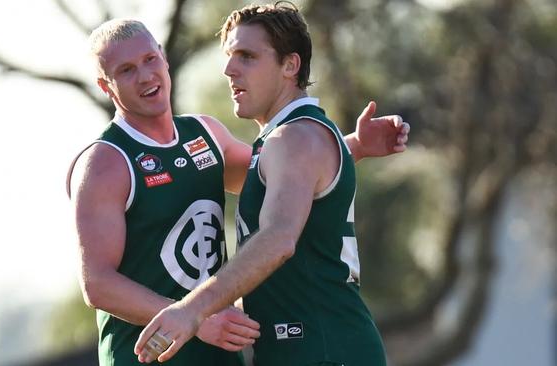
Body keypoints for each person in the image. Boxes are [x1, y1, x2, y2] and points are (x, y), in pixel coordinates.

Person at [69, 14, 407, 366]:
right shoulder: (105, 163)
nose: (144, 76)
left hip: (228, 354)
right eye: (126, 70)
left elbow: (286, 182)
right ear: (105, 86)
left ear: (163, 57)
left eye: (149, 60)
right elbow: (97, 284)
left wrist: (350, 145)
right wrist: (195, 317)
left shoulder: (207, 136)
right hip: (148, 357)